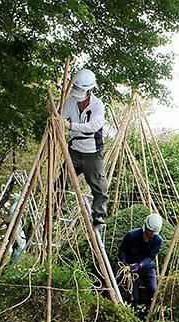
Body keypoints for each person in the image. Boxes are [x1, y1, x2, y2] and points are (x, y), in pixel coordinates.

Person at [62, 68, 108, 227]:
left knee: (100, 187)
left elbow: (94, 126)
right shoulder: (70, 102)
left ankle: (99, 215)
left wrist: (71, 126)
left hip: (92, 153)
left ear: (89, 91)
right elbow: (60, 116)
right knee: (63, 178)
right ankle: (58, 208)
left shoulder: (97, 105)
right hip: (74, 149)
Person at [118, 214, 164, 314]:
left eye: (154, 232)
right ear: (145, 226)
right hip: (131, 267)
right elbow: (122, 250)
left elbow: (150, 256)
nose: (152, 233)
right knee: (133, 296)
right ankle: (134, 314)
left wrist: (140, 265)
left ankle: (150, 311)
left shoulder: (157, 240)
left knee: (153, 289)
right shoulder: (131, 235)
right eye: (151, 231)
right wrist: (124, 262)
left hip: (146, 267)